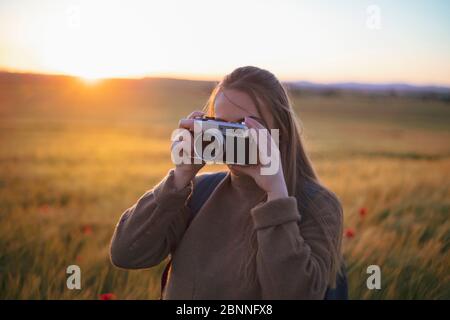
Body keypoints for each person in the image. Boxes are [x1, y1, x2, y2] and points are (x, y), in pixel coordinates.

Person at [110, 66, 344, 299]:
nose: (231, 136)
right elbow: (125, 253)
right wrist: (179, 178)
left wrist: (276, 193)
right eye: (221, 125)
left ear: (280, 131)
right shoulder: (199, 192)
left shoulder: (317, 206)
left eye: (244, 125)